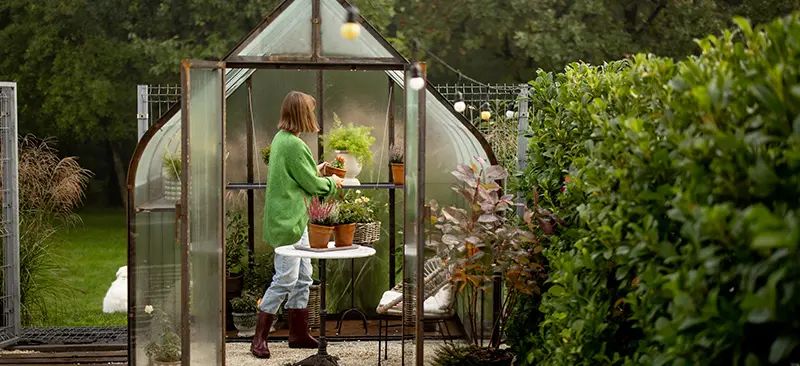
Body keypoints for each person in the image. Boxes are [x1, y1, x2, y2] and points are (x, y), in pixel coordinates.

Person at [251, 91, 344, 359]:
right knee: (286, 279)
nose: (313, 116)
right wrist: (332, 183)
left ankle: (298, 334)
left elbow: (294, 175)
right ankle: (259, 339)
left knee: (303, 277)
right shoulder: (293, 144)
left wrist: (315, 168)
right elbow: (311, 185)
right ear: (302, 114)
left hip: (294, 219)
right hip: (288, 222)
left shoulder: (283, 139)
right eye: (310, 112)